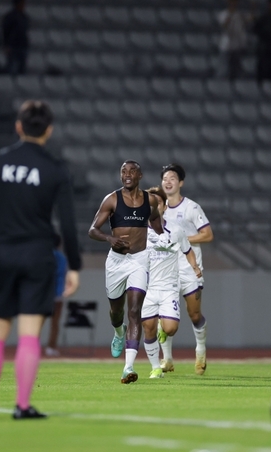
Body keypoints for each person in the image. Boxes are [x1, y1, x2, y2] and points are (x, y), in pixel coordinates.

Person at [0, 100, 81, 419]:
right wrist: (74, 265)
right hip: (38, 257)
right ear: (49, 130)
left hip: (4, 254)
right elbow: (68, 223)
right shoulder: (55, 168)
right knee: (29, 334)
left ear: (18, 126)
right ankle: (21, 405)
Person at [88, 160, 162, 384]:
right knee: (116, 312)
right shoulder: (112, 199)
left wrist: (163, 236)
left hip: (139, 259)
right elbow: (93, 230)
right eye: (124, 171)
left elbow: (155, 219)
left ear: (140, 175)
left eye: (132, 171)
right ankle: (119, 332)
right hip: (116, 261)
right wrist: (109, 238)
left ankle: (128, 367)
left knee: (134, 311)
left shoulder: (150, 200)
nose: (127, 174)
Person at [158, 164, 214, 375]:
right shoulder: (157, 208)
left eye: (172, 178)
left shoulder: (191, 207)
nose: (168, 181)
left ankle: (200, 351)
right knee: (164, 315)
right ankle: (167, 359)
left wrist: (181, 239)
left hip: (190, 268)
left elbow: (208, 235)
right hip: (166, 270)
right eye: (165, 178)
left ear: (180, 183)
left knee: (194, 314)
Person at [142, 187, 202, 380]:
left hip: (169, 288)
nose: (153, 207)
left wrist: (195, 267)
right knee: (148, 328)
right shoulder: (139, 231)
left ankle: (164, 328)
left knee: (170, 328)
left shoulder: (176, 230)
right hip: (148, 288)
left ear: (164, 207)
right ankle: (155, 368)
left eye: (157, 203)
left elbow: (188, 251)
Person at [45, 234, 76, 357]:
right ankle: (51, 347)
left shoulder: (45, 256)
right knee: (55, 323)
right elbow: (63, 274)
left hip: (45, 294)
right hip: (58, 294)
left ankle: (31, 346)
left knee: (36, 321)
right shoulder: (62, 258)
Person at [217, 0, 253, 80]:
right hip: (226, 46)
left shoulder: (240, 14)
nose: (233, 3)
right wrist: (229, 18)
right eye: (231, 1)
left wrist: (253, 7)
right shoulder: (223, 14)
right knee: (224, 70)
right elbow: (224, 26)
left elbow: (251, 18)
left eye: (235, 1)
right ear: (228, 1)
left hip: (237, 46)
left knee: (236, 71)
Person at [2, 0, 30, 76]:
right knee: (11, 67)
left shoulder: (24, 17)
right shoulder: (10, 17)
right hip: (13, 46)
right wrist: (6, 45)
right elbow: (5, 31)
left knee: (22, 68)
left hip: (23, 45)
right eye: (23, 3)